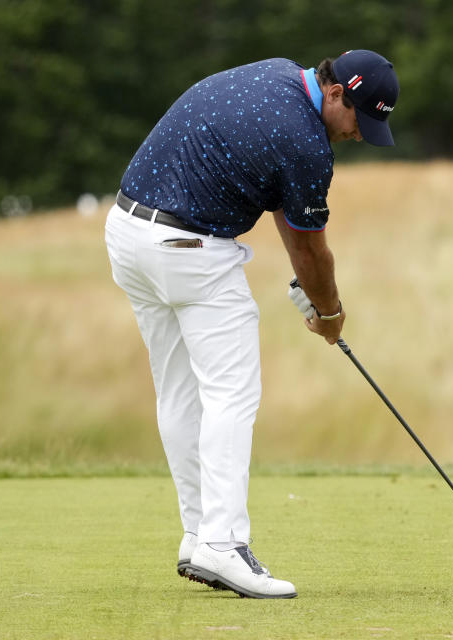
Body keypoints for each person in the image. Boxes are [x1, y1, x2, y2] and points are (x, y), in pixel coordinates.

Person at [104, 50, 399, 599]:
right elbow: (312, 252)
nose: (361, 135)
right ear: (336, 95)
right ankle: (223, 544)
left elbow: (289, 221)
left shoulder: (275, 72)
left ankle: (198, 536)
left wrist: (313, 292)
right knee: (231, 394)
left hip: (126, 233)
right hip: (187, 249)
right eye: (361, 120)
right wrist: (330, 315)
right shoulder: (307, 143)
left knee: (180, 393)